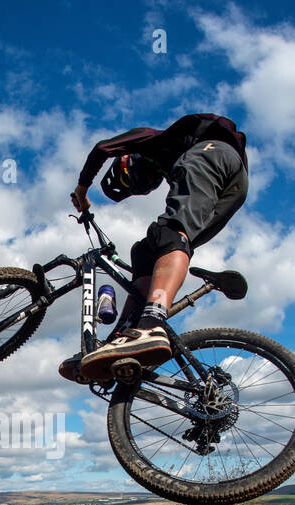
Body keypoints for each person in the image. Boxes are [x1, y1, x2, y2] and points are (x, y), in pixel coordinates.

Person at [59, 113, 249, 382]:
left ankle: (152, 321)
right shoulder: (172, 165)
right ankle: (124, 335)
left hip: (213, 153)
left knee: (171, 233)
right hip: (234, 188)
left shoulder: (151, 139)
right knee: (148, 249)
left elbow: (102, 148)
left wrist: (82, 188)